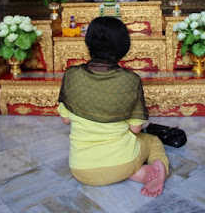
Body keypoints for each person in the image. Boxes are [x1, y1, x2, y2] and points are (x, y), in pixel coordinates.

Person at [58, 16, 169, 197]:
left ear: (89, 43)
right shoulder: (130, 81)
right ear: (122, 46)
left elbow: (65, 119)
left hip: (80, 169)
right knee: (152, 141)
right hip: (122, 162)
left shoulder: (71, 75)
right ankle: (153, 170)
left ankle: (132, 173)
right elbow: (135, 129)